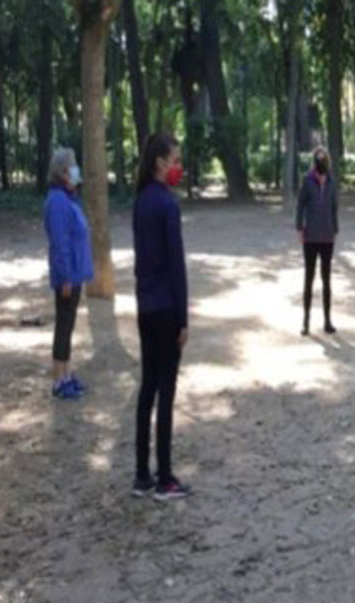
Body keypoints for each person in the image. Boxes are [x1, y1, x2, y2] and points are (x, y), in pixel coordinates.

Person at [132, 133, 192, 500]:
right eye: (175, 160)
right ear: (160, 163)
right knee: (165, 392)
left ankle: (142, 474)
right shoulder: (167, 205)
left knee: (148, 388)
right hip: (167, 308)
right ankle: (165, 477)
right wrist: (183, 318)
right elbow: (176, 265)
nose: (178, 167)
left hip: (146, 307)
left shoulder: (141, 201)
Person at [42, 147, 94, 400]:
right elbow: (60, 244)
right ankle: (59, 380)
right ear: (62, 171)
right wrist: (64, 277)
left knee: (69, 325)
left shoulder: (68, 198)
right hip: (67, 276)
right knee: (63, 327)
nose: (75, 169)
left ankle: (68, 373)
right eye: (72, 165)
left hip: (74, 274)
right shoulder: (58, 202)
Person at [296, 146, 340, 335]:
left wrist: (335, 228)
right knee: (309, 278)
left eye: (324, 159)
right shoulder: (307, 180)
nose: (321, 163)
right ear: (314, 161)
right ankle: (306, 321)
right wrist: (299, 228)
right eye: (318, 159)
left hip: (327, 236)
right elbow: (300, 205)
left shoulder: (331, 181)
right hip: (311, 236)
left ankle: (327, 320)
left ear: (327, 161)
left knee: (326, 279)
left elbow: (334, 206)